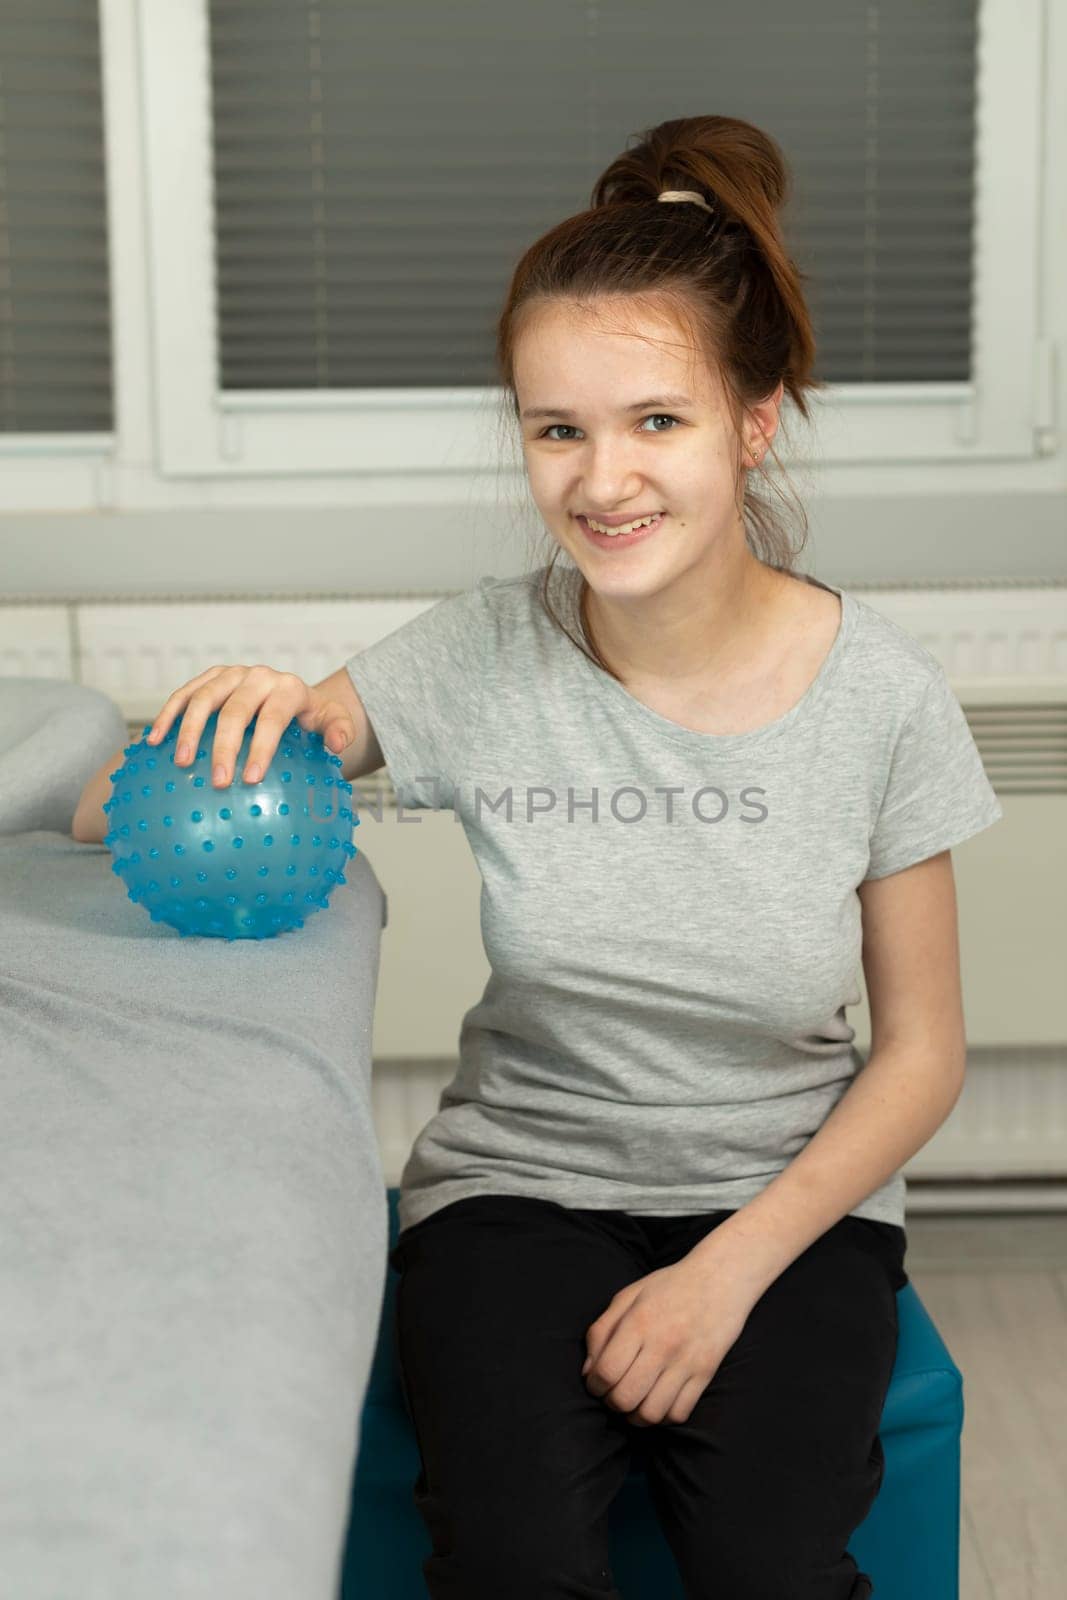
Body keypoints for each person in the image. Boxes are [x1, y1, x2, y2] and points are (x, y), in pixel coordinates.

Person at [131, 115, 1003, 1598]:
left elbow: (921, 1051)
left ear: (754, 421)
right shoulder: (480, 650)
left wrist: (728, 1271)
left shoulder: (884, 693)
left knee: (773, 1571)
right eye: (557, 429)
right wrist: (229, 724)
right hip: (518, 1187)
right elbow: (171, 798)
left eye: (656, 420)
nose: (601, 480)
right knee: (518, 1562)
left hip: (783, 1197)